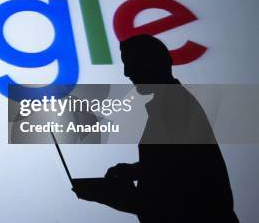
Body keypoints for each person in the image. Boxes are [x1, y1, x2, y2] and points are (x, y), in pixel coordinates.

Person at [74, 34, 238, 222]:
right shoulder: (173, 104)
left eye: (131, 63)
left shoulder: (174, 108)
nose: (127, 73)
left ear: (152, 62)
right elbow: (175, 168)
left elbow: (176, 198)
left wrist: (109, 195)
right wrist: (135, 170)